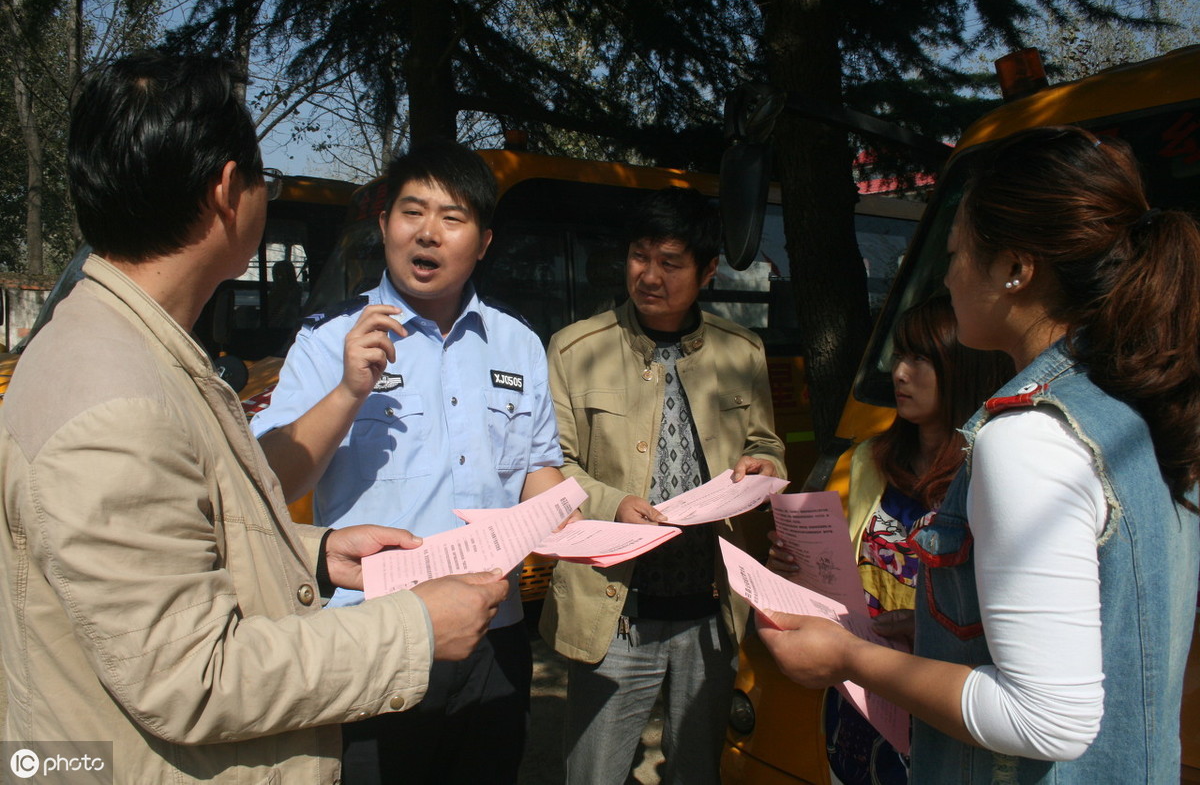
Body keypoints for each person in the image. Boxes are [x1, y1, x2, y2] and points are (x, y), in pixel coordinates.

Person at [0, 52, 507, 784]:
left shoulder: (115, 347)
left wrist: (309, 552)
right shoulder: (117, 405)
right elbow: (194, 675)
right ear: (227, 192)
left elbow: (162, 550)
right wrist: (415, 627)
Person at [758, 126, 1200, 782]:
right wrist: (943, 636)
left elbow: (1047, 717)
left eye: (958, 250)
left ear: (1017, 270)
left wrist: (851, 658)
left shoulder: (1028, 436)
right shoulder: (1144, 400)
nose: (947, 271)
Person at [251, 138, 567, 784]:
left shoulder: (519, 344)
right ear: (383, 225)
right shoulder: (327, 338)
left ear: (482, 242)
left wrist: (580, 523)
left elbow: (538, 470)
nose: (428, 233)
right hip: (376, 635)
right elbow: (269, 481)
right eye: (411, 212)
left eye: (452, 218)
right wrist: (347, 391)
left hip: (493, 634)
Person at [538, 186, 786, 784]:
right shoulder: (576, 350)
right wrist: (611, 503)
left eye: (670, 262)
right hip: (617, 607)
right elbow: (551, 465)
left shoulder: (742, 351)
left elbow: (767, 445)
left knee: (698, 770)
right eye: (639, 256)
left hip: (711, 611)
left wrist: (765, 468)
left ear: (707, 271)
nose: (649, 275)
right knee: (593, 772)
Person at [767, 295, 1011, 784]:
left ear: (962, 367)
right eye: (899, 355)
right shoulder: (867, 460)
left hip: (941, 700)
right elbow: (847, 571)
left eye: (920, 358)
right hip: (859, 697)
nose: (900, 372)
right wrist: (795, 563)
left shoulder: (989, 475)